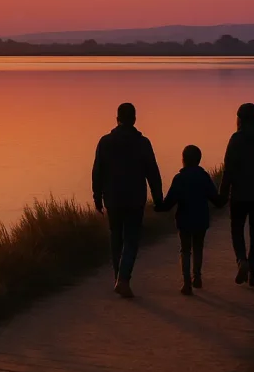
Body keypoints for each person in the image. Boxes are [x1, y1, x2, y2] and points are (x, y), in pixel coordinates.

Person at [92, 102, 163, 298]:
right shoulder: (143, 143)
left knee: (116, 238)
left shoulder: (105, 142)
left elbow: (97, 172)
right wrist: (158, 198)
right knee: (131, 239)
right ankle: (123, 279)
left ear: (117, 119)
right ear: (134, 120)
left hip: (113, 199)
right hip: (134, 198)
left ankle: (119, 278)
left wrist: (97, 197)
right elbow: (152, 172)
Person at [155, 145, 224, 295]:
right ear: (199, 160)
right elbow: (215, 198)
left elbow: (169, 202)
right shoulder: (204, 177)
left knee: (185, 250)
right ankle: (197, 277)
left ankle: (187, 283)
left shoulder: (179, 178)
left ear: (183, 160)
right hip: (201, 219)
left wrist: (158, 207)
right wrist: (224, 198)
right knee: (198, 247)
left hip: (184, 220)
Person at [220, 102, 254, 287]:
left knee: (237, 229)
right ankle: (253, 274)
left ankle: (241, 261)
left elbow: (228, 169)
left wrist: (222, 194)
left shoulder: (236, 139)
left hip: (240, 194)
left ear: (240, 119)